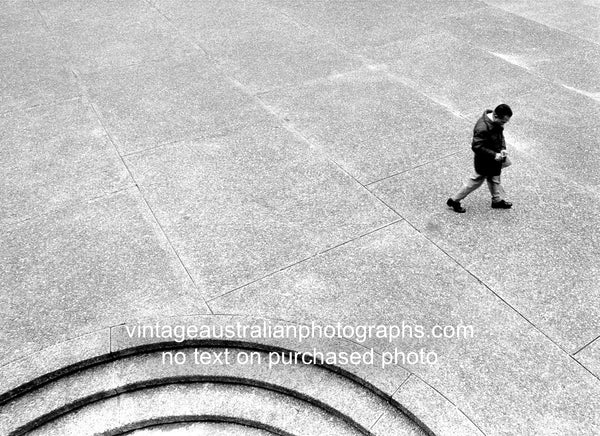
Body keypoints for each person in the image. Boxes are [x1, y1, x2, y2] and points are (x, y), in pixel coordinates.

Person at [447, 104, 513, 213]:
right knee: (476, 181)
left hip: (494, 159)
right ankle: (454, 200)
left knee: (494, 178)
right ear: (496, 116)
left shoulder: (497, 122)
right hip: (485, 161)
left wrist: (502, 148)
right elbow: (477, 147)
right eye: (503, 122)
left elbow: (501, 136)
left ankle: (496, 200)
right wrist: (494, 155)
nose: (504, 124)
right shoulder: (482, 127)